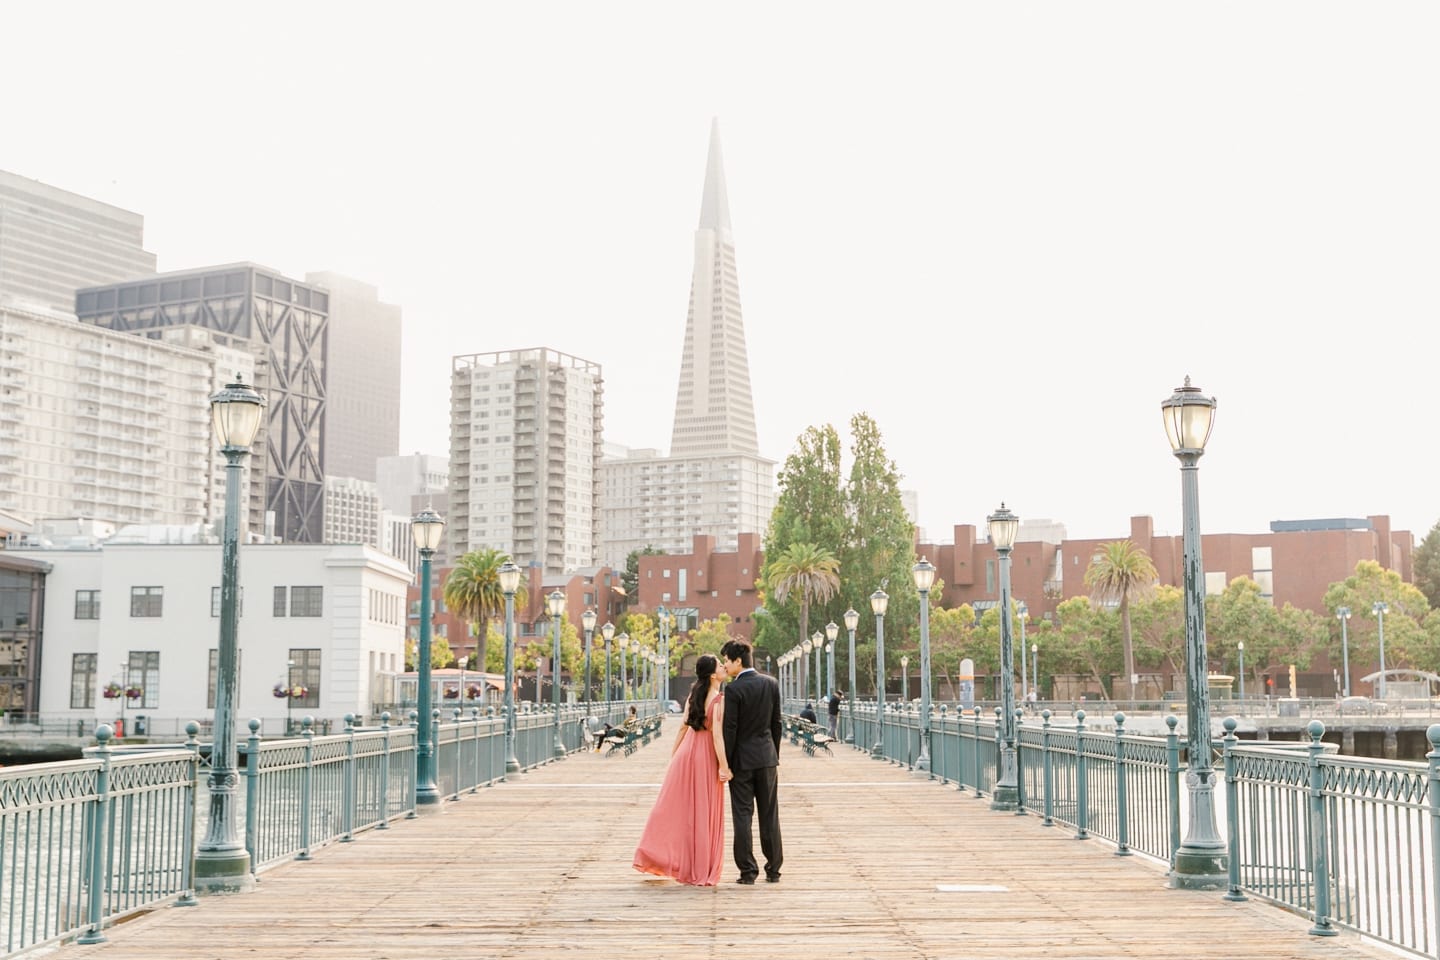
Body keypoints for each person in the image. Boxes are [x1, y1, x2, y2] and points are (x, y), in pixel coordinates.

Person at [632, 654, 732, 885]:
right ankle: (700, 867)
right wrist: (724, 766)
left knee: (678, 810)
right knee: (703, 810)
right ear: (712, 675)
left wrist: (675, 758)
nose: (723, 667)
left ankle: (655, 852)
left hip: (687, 754)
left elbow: (682, 728)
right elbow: (717, 736)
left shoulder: (693, 696)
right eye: (719, 665)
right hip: (705, 756)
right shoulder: (717, 699)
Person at [720, 639, 783, 885]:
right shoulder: (771, 683)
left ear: (738, 661)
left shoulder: (734, 690)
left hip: (742, 762)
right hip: (767, 758)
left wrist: (726, 762)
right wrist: (773, 754)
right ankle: (774, 869)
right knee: (770, 814)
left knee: (743, 816)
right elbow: (776, 724)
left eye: (727, 660)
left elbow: (730, 730)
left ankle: (747, 871)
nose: (725, 665)